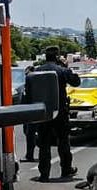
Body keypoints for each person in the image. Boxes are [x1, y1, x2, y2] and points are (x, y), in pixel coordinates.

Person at [34, 45, 81, 182]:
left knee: (44, 144)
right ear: (57, 57)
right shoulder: (61, 70)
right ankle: (66, 169)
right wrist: (66, 67)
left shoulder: (38, 71)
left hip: (43, 112)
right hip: (60, 112)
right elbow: (76, 82)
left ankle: (44, 174)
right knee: (63, 142)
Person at [23, 65, 38, 162]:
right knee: (29, 133)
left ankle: (30, 155)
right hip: (33, 110)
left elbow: (26, 97)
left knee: (30, 134)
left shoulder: (30, 81)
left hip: (31, 111)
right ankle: (29, 155)